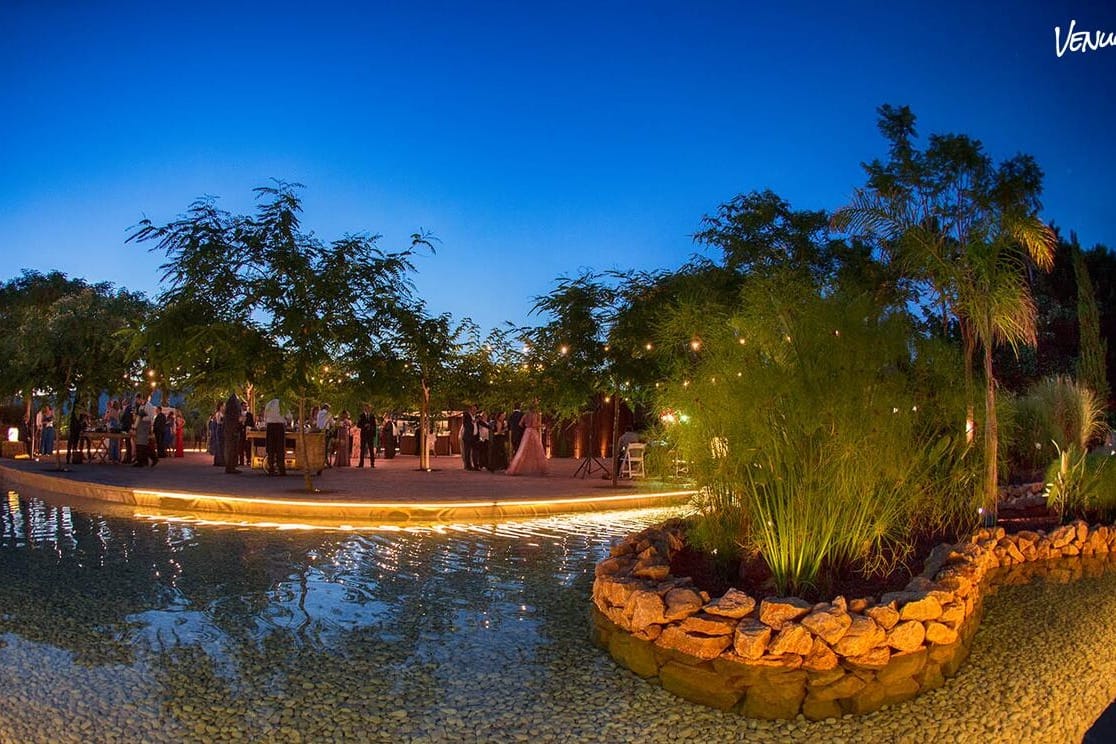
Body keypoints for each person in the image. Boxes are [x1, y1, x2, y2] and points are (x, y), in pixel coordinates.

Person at [507, 406, 547, 476]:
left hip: (527, 431)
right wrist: (541, 425)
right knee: (537, 449)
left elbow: (520, 424)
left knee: (522, 450)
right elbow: (534, 425)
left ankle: (516, 468)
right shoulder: (535, 415)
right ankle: (540, 468)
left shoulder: (525, 415)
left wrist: (526, 426)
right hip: (533, 432)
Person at [263, 398, 287, 476]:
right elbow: (288, 415)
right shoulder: (282, 403)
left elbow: (265, 416)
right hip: (279, 426)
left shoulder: (268, 404)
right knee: (280, 448)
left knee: (271, 449)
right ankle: (281, 469)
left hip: (270, 426)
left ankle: (271, 469)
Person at [223, 392, 242, 474]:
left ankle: (230, 466)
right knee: (232, 449)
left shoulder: (229, 405)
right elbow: (235, 418)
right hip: (232, 430)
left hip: (229, 430)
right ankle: (231, 467)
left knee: (230, 449)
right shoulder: (234, 405)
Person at [357, 404, 377, 468]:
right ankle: (361, 463)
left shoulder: (372, 416)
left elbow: (374, 425)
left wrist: (371, 429)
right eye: (366, 408)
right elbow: (358, 425)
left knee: (371, 449)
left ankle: (372, 463)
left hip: (370, 434)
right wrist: (364, 425)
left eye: (368, 408)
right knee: (362, 449)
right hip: (363, 434)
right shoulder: (361, 416)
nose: (367, 409)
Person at [461, 405, 479, 470]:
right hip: (468, 437)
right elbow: (466, 425)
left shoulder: (476, 417)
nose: (475, 411)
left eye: (476, 410)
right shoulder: (466, 416)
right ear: (470, 410)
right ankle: (468, 466)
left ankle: (476, 466)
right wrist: (473, 421)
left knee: (475, 452)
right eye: (473, 410)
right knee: (467, 452)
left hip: (475, 437)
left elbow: (481, 423)